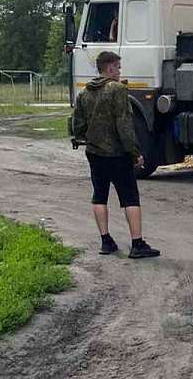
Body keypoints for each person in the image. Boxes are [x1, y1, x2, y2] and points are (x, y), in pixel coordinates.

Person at [71, 51, 159, 259]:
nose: (119, 72)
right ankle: (137, 244)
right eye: (118, 67)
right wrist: (135, 152)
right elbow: (124, 124)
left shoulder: (84, 92)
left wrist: (87, 138)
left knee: (99, 195)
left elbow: (78, 124)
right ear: (109, 68)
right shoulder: (117, 90)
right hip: (117, 154)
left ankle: (106, 241)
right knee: (130, 197)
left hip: (94, 152)